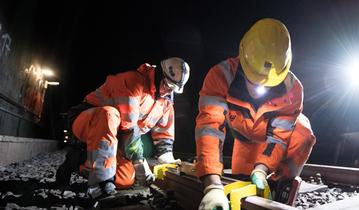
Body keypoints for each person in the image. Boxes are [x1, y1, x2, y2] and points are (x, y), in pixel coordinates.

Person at [195, 18, 316, 210]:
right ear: (242, 58)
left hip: (268, 142)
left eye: (268, 83)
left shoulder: (293, 90)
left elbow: (279, 137)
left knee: (302, 130)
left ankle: (279, 183)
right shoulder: (220, 76)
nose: (261, 87)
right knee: (242, 181)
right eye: (255, 80)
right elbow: (210, 129)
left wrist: (262, 169)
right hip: (244, 140)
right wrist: (212, 185)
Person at [59, 57, 189, 199]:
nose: (167, 91)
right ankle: (101, 184)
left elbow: (164, 138)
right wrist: (139, 161)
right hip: (86, 121)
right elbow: (128, 127)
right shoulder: (132, 82)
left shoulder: (166, 102)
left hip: (117, 137)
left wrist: (169, 163)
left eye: (172, 89)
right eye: (167, 85)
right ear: (159, 75)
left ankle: (77, 159)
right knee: (109, 114)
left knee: (125, 180)